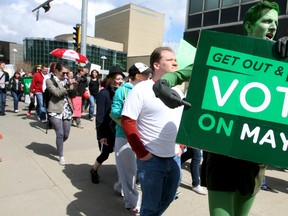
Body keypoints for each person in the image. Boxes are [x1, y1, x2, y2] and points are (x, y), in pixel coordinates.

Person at [153, 2, 288, 216]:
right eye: (266, 21)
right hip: (222, 155)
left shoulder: (281, 58)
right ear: (249, 25)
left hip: (255, 161)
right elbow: (180, 74)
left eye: (275, 22)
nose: (273, 26)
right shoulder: (226, 51)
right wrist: (162, 85)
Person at [121, 47, 184, 215]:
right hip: (151, 159)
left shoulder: (178, 91)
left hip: (174, 157)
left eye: (175, 59)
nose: (175, 62)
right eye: (169, 59)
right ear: (156, 65)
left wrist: (182, 146)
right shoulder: (141, 89)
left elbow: (184, 120)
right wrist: (141, 152)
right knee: (149, 205)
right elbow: (127, 121)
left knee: (169, 197)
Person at [110, 62, 152, 213]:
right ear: (139, 76)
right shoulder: (123, 91)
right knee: (130, 170)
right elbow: (114, 112)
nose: (149, 77)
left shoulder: (146, 90)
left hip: (142, 136)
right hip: (124, 136)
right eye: (147, 74)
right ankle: (132, 203)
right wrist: (131, 117)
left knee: (129, 170)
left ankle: (120, 186)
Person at [90, 65, 125, 184]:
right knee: (105, 154)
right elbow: (99, 117)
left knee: (121, 155)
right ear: (110, 79)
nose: (120, 81)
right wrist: (101, 135)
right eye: (117, 78)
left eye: (121, 79)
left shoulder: (124, 92)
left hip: (119, 130)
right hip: (107, 130)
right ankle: (94, 170)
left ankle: (123, 180)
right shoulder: (103, 94)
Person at [46, 62, 78, 165]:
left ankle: (59, 145)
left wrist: (72, 85)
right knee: (60, 133)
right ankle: (61, 155)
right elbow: (57, 93)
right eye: (63, 73)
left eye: (66, 73)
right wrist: (67, 85)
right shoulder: (49, 81)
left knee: (66, 134)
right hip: (54, 110)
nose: (65, 75)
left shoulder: (67, 80)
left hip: (67, 109)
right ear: (56, 71)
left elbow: (73, 95)